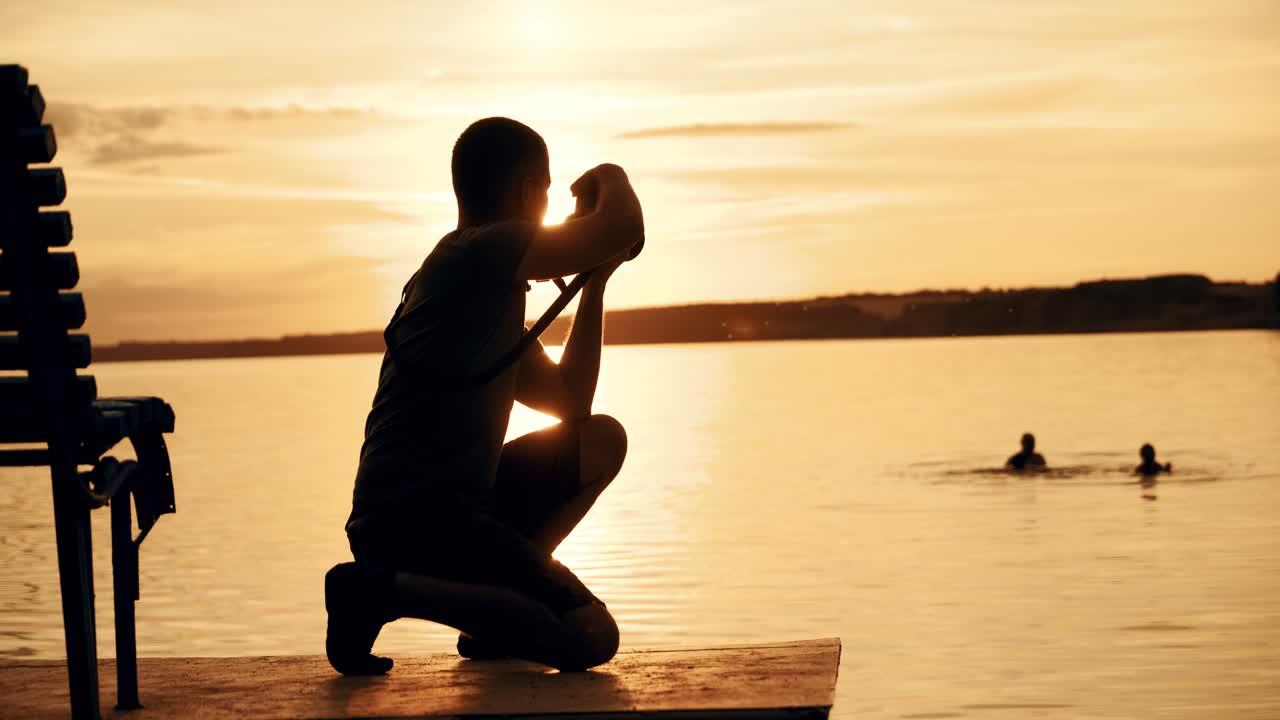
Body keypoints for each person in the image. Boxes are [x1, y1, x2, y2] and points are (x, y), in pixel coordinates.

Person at [325, 117, 644, 676]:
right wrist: (611, 177)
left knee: (600, 440)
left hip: (453, 511)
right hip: (415, 521)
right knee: (591, 636)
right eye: (545, 190)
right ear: (527, 191)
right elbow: (621, 227)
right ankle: (378, 592)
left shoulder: (477, 284)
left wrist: (594, 283)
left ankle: (487, 618)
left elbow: (570, 400)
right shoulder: (483, 250)